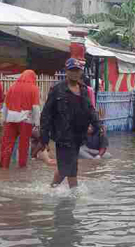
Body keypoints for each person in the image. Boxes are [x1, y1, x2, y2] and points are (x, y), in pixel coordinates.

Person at [40, 58, 103, 189]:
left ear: (81, 72)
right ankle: (73, 195)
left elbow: (90, 109)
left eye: (77, 70)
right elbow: (46, 114)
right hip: (63, 135)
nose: (74, 73)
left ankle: (52, 189)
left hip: (78, 135)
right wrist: (44, 137)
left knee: (67, 166)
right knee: (71, 169)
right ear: (66, 71)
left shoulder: (83, 90)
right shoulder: (57, 89)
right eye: (71, 70)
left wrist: (98, 125)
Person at [0, 70, 41, 169]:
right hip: (25, 121)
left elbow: (5, 105)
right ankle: (22, 168)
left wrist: (3, 119)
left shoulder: (12, 87)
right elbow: (35, 107)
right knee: (24, 146)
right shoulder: (33, 88)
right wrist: (37, 123)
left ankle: (4, 167)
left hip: (10, 119)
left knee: (7, 144)